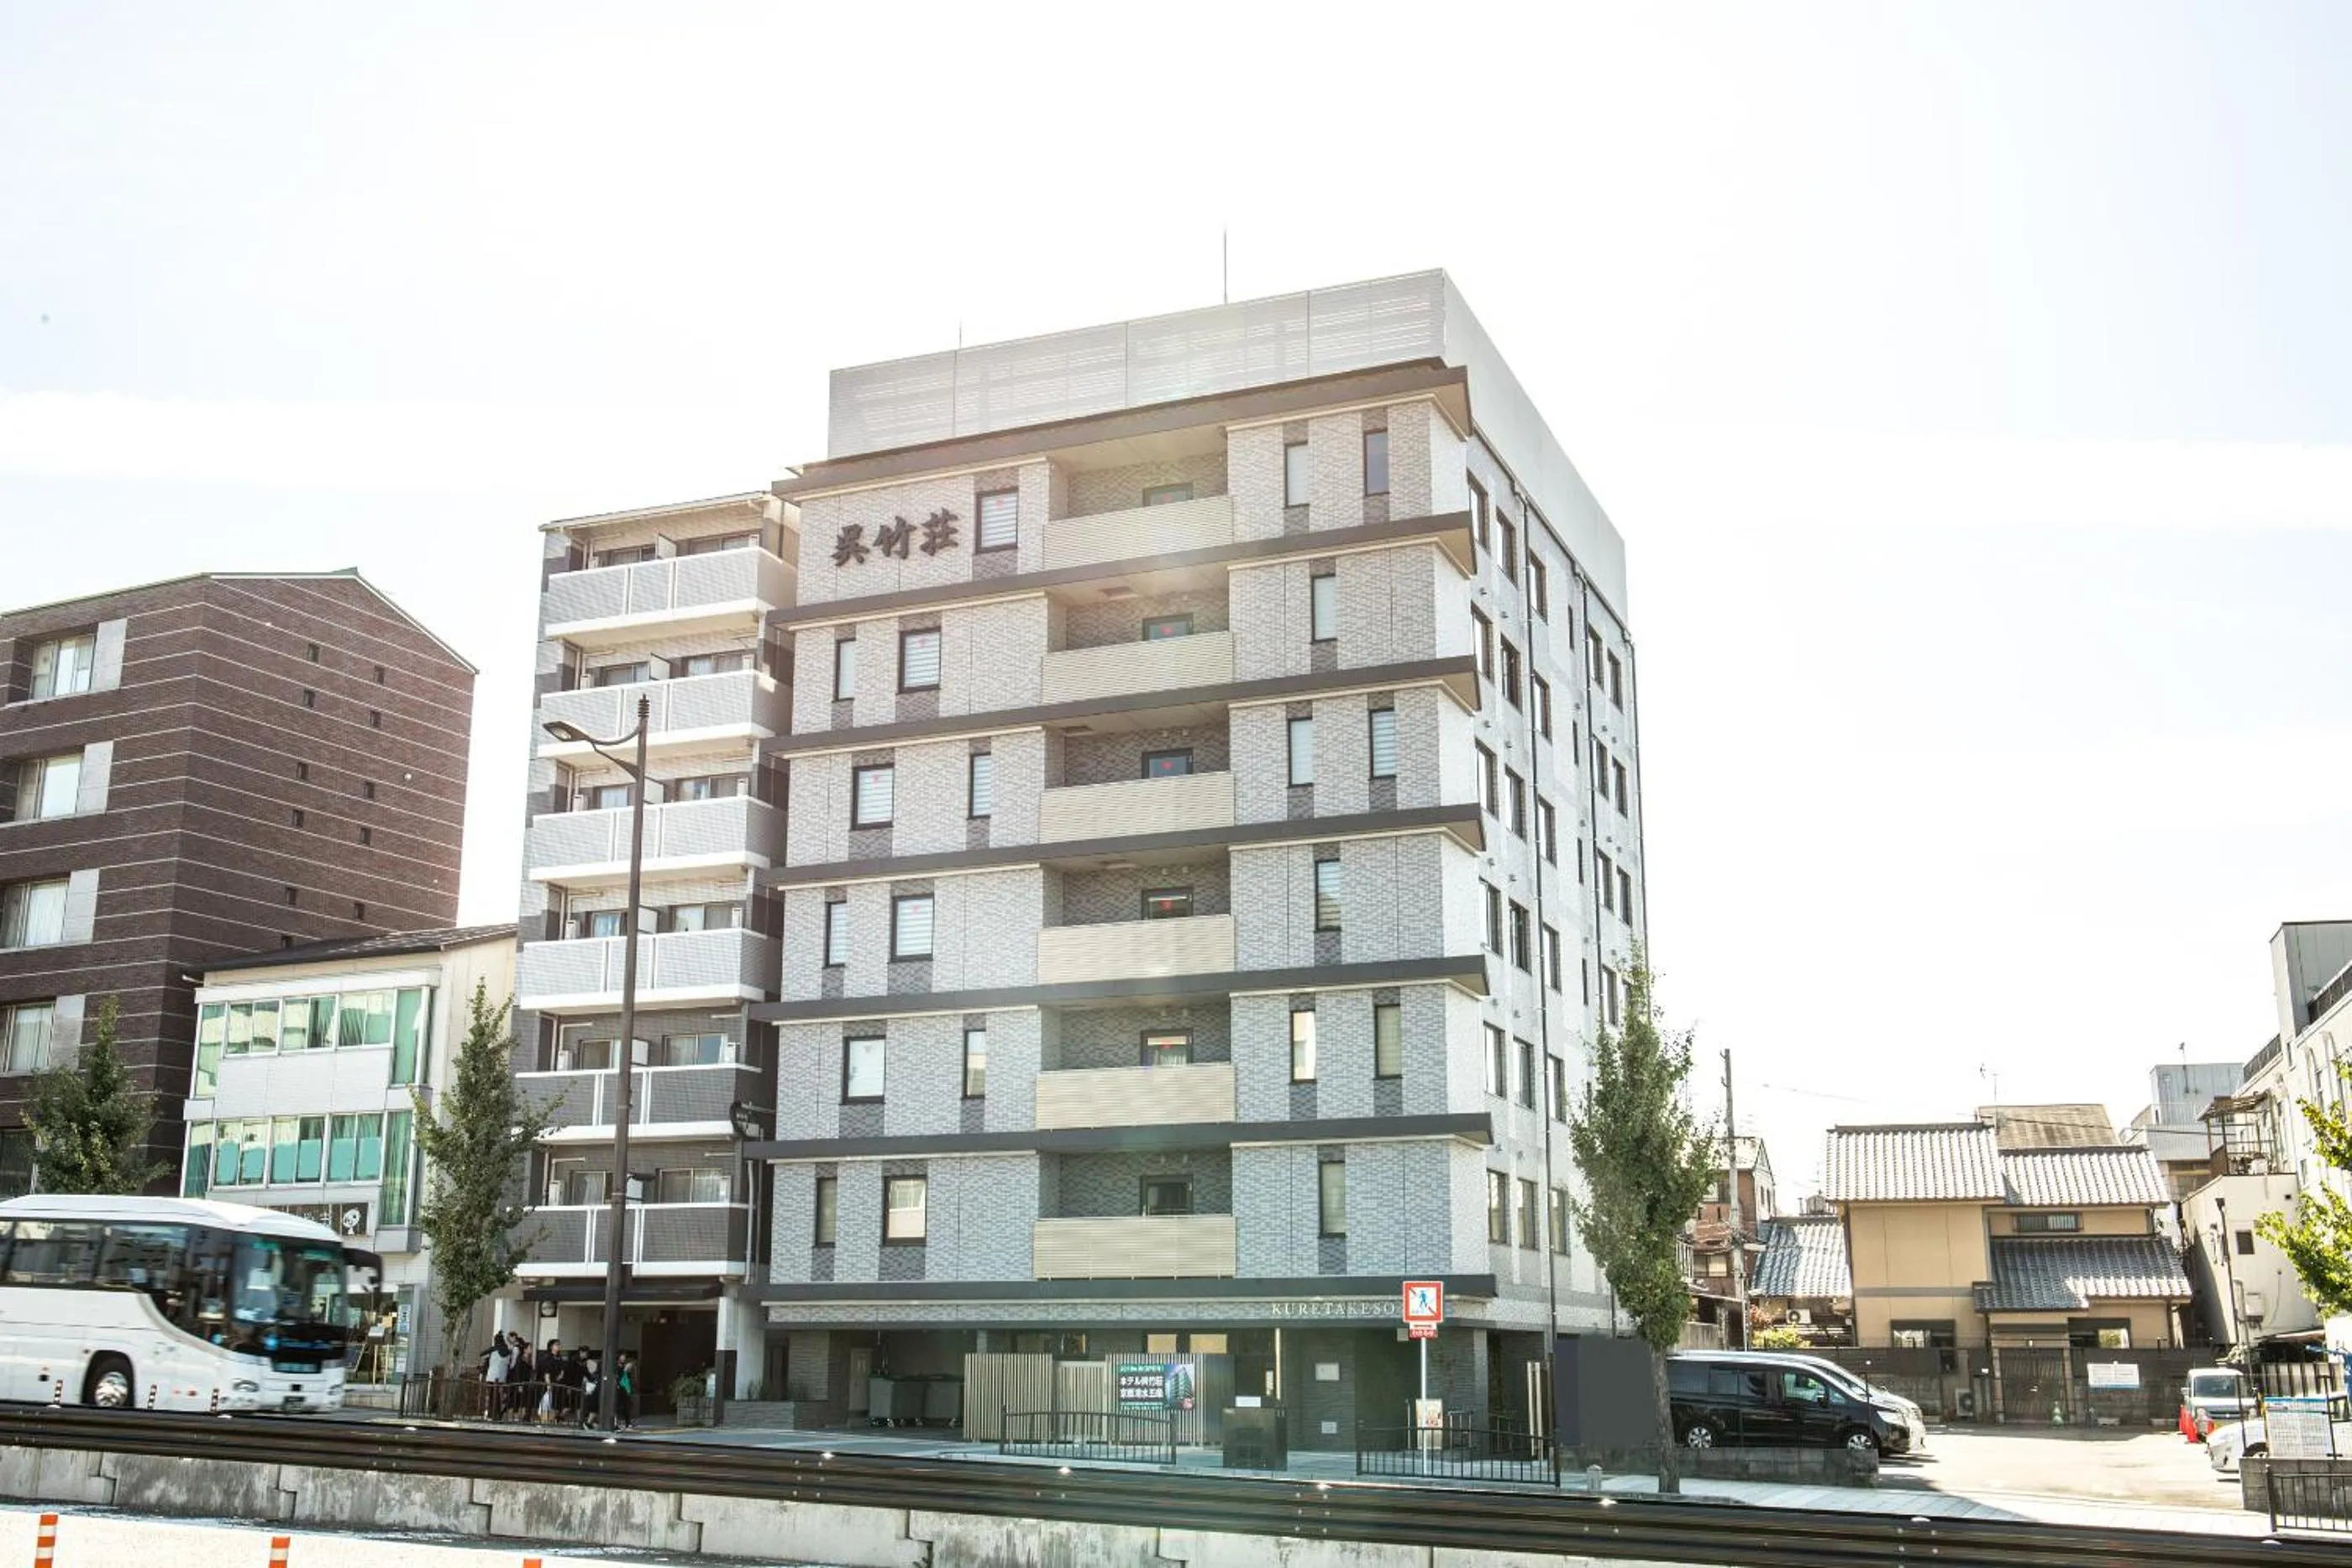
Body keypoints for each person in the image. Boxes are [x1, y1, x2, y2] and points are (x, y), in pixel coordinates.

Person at [615, 1350, 638, 1430]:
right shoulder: (616, 1366)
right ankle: (618, 1424)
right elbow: (618, 1377)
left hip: (624, 1388)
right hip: (618, 1388)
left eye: (624, 1356)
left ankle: (628, 1423)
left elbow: (628, 1377)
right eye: (622, 1356)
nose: (624, 1358)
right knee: (618, 1407)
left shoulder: (624, 1366)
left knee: (627, 1405)